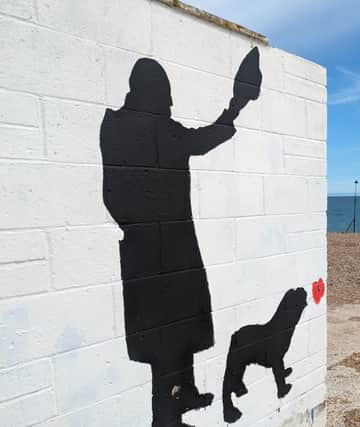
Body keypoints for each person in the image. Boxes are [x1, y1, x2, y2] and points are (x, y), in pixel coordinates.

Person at [100, 48, 261, 427]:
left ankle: (182, 393)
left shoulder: (114, 125)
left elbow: (111, 194)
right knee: (172, 332)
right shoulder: (156, 127)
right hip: (168, 247)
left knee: (169, 332)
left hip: (140, 247)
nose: (171, 102)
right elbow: (203, 140)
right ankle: (166, 418)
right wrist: (235, 105)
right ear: (157, 92)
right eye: (166, 93)